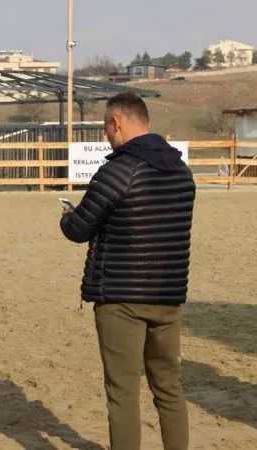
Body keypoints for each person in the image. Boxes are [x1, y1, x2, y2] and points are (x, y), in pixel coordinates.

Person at [60, 92, 195, 450]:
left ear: (116, 121)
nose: (106, 135)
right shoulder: (181, 170)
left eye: (106, 127)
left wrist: (67, 216)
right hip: (168, 296)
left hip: (121, 298)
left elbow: (79, 230)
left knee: (122, 393)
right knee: (169, 388)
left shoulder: (118, 170)